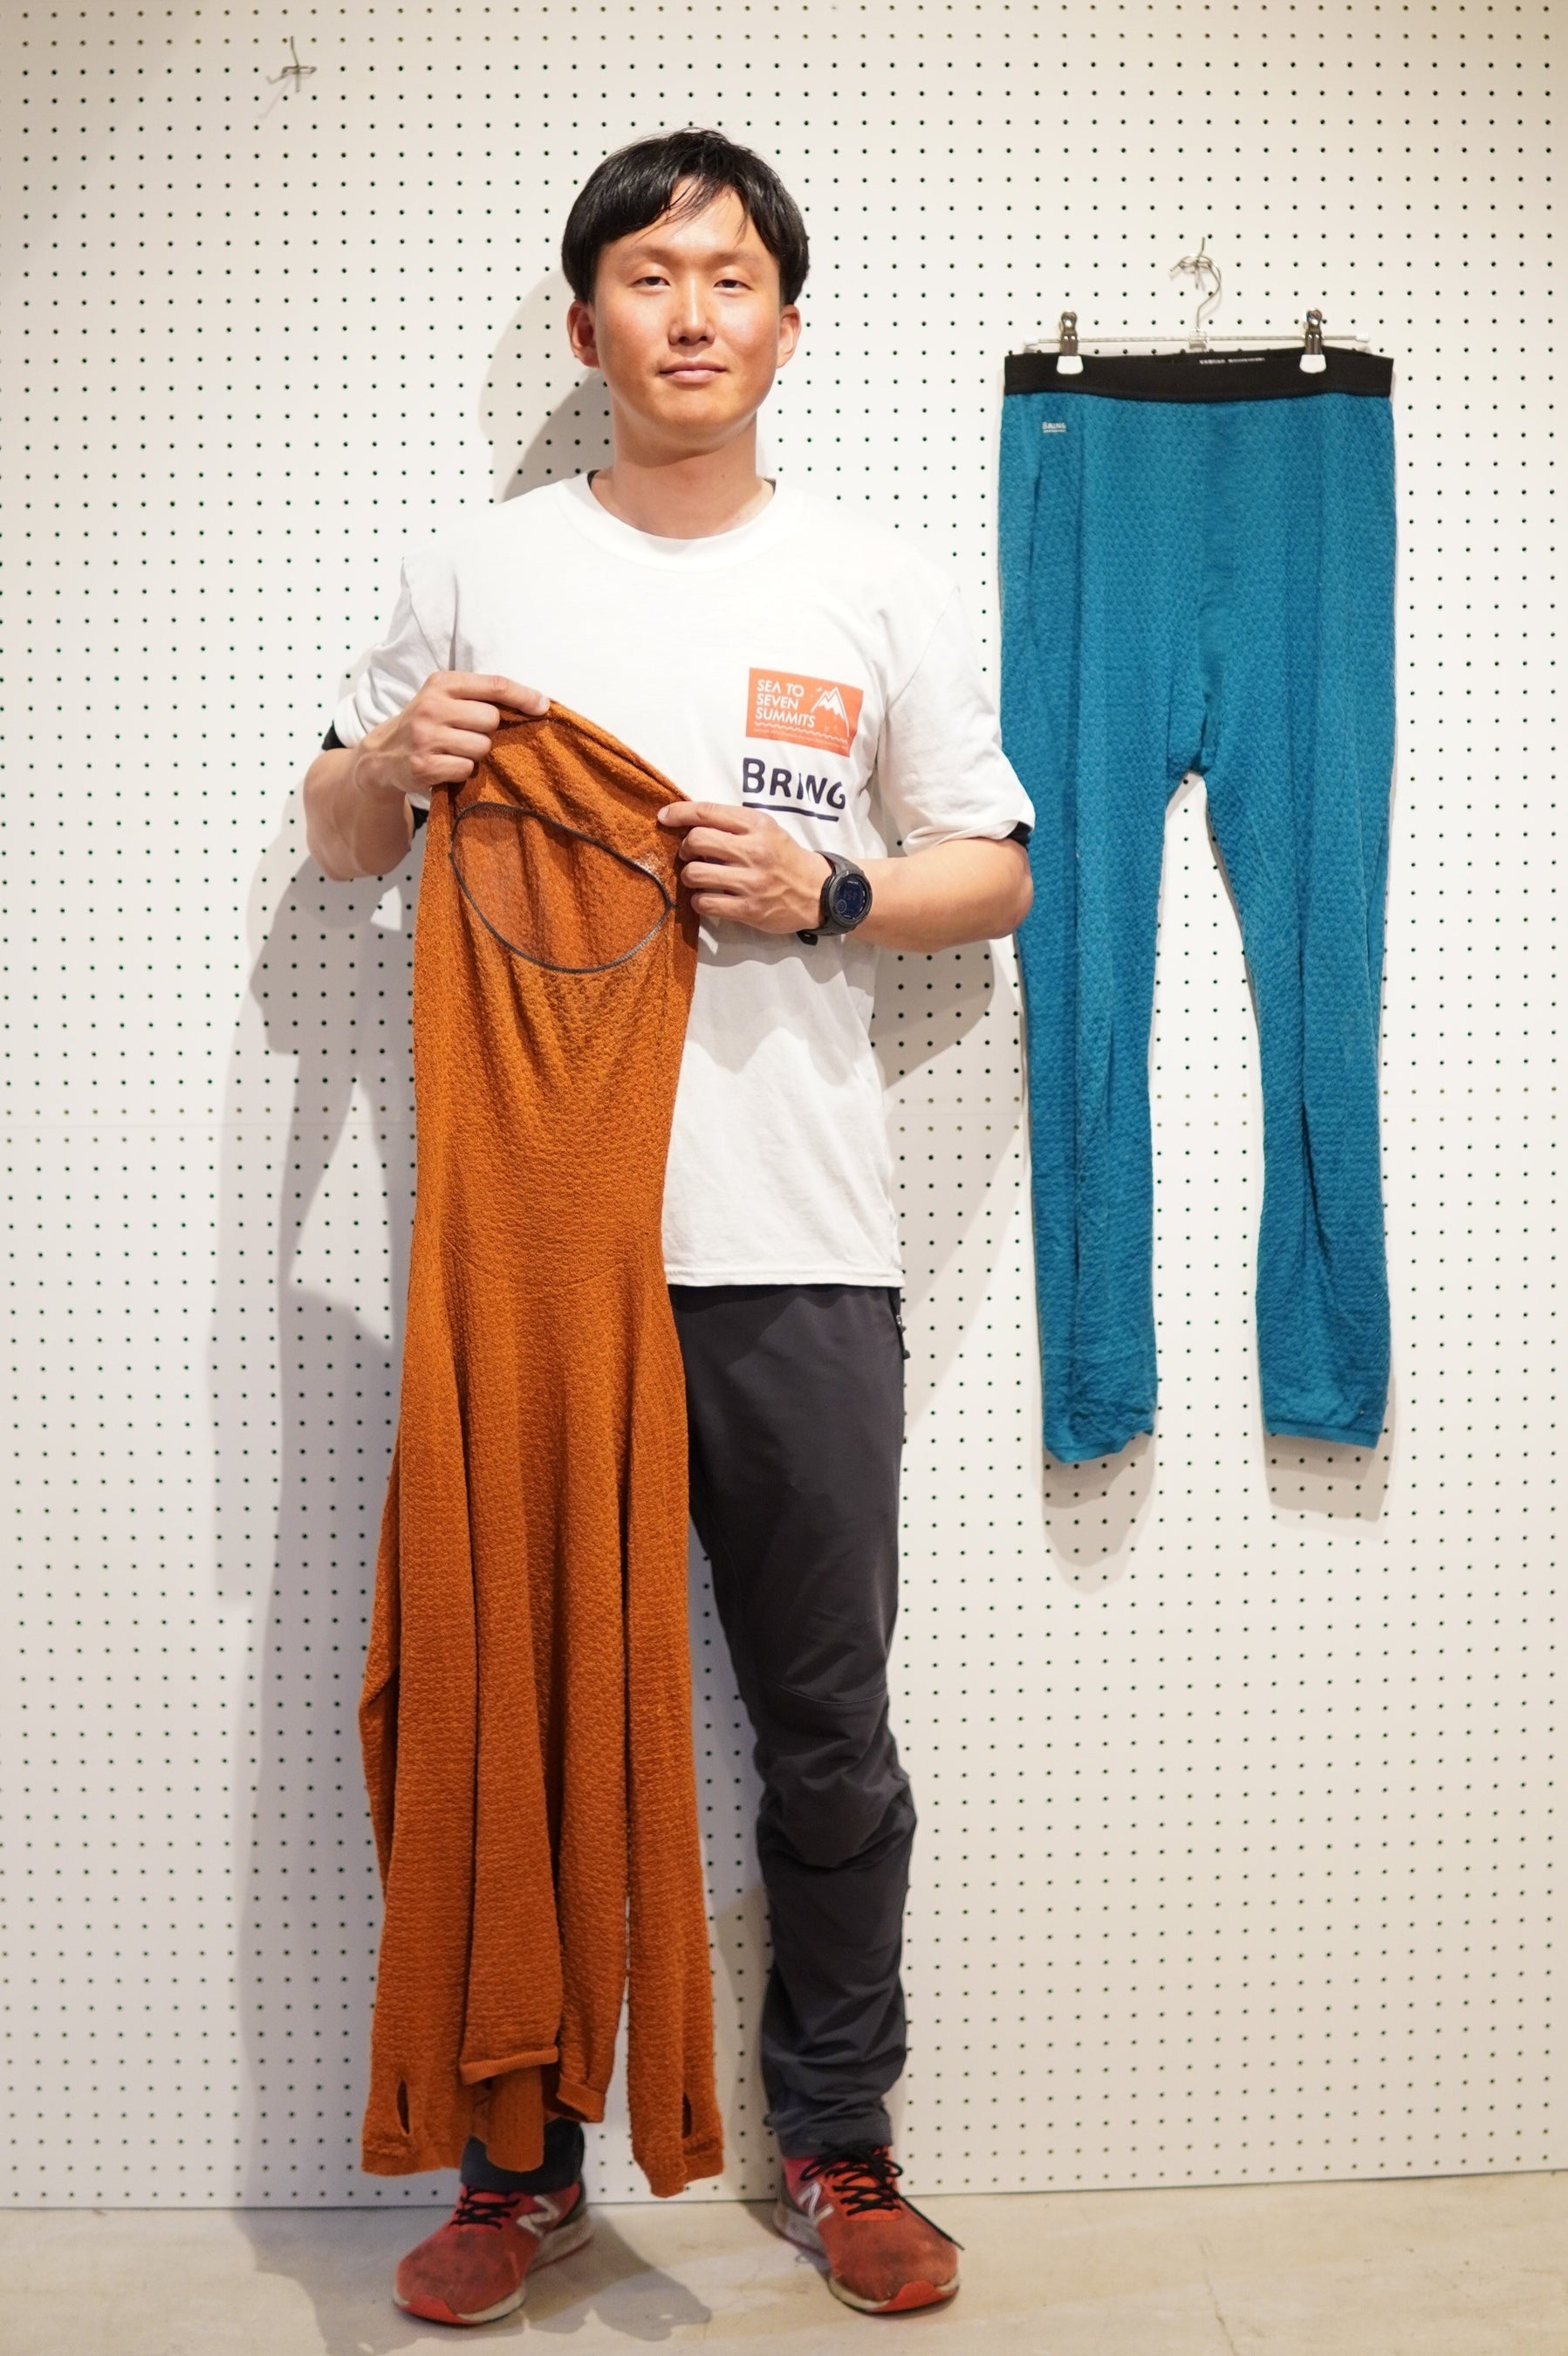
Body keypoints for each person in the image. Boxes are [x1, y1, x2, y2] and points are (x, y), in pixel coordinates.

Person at [303, 127, 1033, 2325]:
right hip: (534, 1264)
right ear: (583, 324)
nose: (689, 311)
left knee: (827, 1730)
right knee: (510, 1708)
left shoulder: (874, 582)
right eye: (647, 275)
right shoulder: (477, 569)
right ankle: (513, 2165)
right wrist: (391, 760)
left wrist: (829, 889)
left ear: (786, 327)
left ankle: (839, 2141)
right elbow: (336, 837)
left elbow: (994, 869)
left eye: (728, 278)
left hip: (792, 1246)